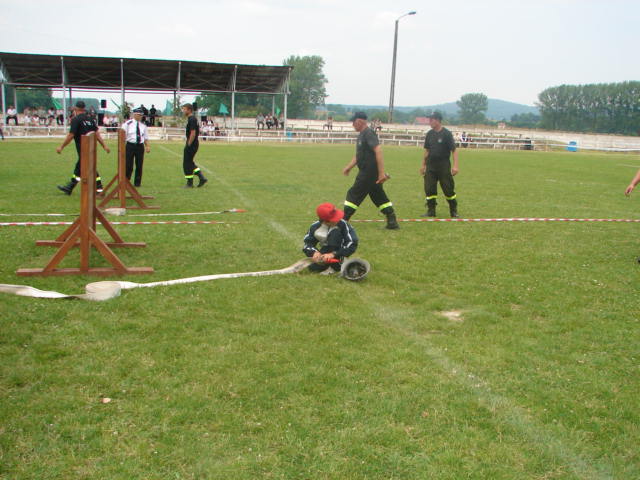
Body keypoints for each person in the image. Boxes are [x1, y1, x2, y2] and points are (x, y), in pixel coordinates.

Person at [342, 111, 399, 229]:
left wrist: (381, 173)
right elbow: (359, 155)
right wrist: (349, 167)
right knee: (378, 195)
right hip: (368, 171)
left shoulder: (369, 133)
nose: (353, 125)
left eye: (353, 122)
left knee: (354, 194)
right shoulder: (361, 135)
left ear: (359, 121)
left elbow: (378, 150)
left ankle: (343, 221)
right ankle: (392, 220)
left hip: (368, 172)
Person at [56, 100, 110, 195]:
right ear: (84, 109)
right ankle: (70, 187)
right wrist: (104, 145)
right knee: (80, 168)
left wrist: (61, 146)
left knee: (89, 167)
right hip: (92, 147)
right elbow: (96, 134)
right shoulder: (90, 119)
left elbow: (71, 135)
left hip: (83, 148)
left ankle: (99, 189)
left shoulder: (76, 120)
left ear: (76, 109)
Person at [421, 111, 460, 218]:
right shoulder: (429, 134)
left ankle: (453, 211)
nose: (429, 122)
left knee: (448, 189)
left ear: (438, 120)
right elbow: (427, 151)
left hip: (443, 166)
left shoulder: (446, 134)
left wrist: (455, 166)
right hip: (431, 166)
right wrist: (423, 165)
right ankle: (431, 210)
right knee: (429, 189)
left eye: (431, 119)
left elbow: (454, 150)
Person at [303, 202, 358, 274]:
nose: (338, 219)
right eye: (335, 218)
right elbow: (307, 244)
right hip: (325, 252)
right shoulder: (314, 227)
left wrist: (333, 254)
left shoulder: (343, 224)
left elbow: (352, 242)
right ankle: (329, 265)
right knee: (313, 268)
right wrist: (314, 252)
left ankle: (338, 265)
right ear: (326, 221)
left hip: (340, 252)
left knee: (335, 233)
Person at [121, 107, 150, 187]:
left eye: (141, 115)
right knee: (128, 165)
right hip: (130, 145)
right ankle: (126, 181)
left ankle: (137, 183)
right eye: (138, 115)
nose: (139, 116)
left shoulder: (143, 126)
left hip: (140, 146)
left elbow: (145, 137)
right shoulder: (127, 124)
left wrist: (147, 146)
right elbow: (122, 136)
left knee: (139, 165)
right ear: (134, 114)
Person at [181, 103, 207, 188]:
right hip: (194, 143)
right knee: (189, 163)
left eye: (184, 109)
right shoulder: (192, 119)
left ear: (189, 110)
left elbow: (193, 133)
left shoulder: (192, 119)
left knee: (187, 163)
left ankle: (190, 183)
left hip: (192, 144)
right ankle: (201, 177)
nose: (183, 111)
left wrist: (189, 144)